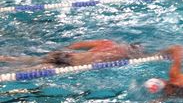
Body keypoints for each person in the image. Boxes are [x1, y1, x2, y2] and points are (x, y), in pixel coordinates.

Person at [0, 40, 146, 69]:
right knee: (23, 71)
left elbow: (78, 44)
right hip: (70, 64)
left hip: (66, 54)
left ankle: (4, 58)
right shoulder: (122, 57)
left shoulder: (108, 43)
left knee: (32, 59)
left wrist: (66, 48)